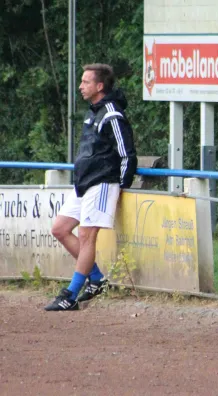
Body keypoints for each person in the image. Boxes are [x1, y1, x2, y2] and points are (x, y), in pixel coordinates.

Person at [45, 64, 137, 311]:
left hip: (102, 182)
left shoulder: (112, 113)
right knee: (59, 229)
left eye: (85, 82)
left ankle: (70, 295)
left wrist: (121, 186)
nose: (80, 86)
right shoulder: (92, 112)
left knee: (87, 237)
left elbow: (127, 153)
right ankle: (95, 278)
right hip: (84, 183)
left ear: (99, 86)